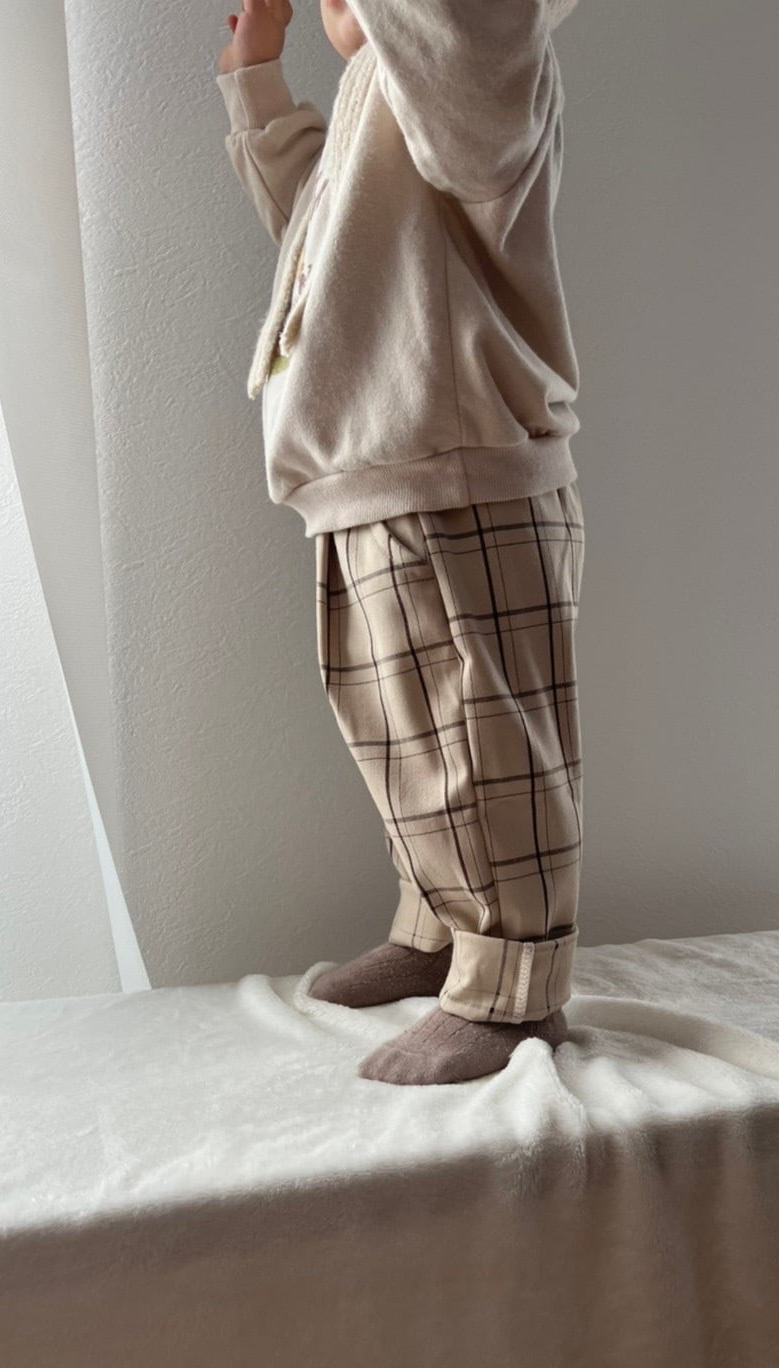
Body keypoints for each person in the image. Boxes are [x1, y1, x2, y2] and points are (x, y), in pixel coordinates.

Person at [215, 0, 585, 1084]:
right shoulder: (380, 88)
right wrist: (257, 78)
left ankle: (514, 987)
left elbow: (465, 32)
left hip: (455, 472)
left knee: (486, 754)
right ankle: (439, 929)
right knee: (411, 750)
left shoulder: (484, 56)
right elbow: (319, 236)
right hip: (366, 475)